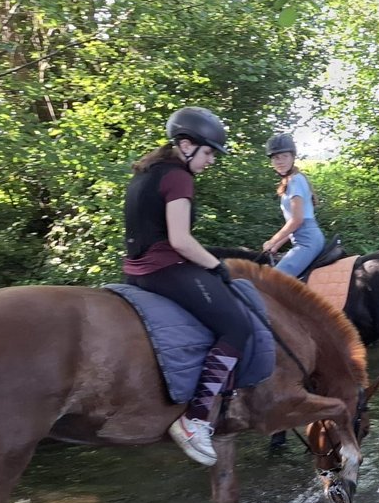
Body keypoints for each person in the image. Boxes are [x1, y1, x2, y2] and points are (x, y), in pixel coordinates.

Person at [123, 106, 250, 467]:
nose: (211, 160)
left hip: (134, 272)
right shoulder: (178, 177)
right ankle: (194, 419)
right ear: (185, 145)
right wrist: (217, 266)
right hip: (164, 270)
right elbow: (180, 240)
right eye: (208, 152)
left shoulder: (146, 173)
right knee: (236, 328)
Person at [261, 133, 325, 278]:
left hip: (308, 242)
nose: (280, 161)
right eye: (276, 158)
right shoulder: (290, 181)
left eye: (284, 156)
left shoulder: (295, 181)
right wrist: (276, 245)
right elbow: (293, 226)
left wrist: (272, 240)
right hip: (303, 239)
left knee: (272, 281)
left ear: (292, 157)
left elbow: (297, 220)